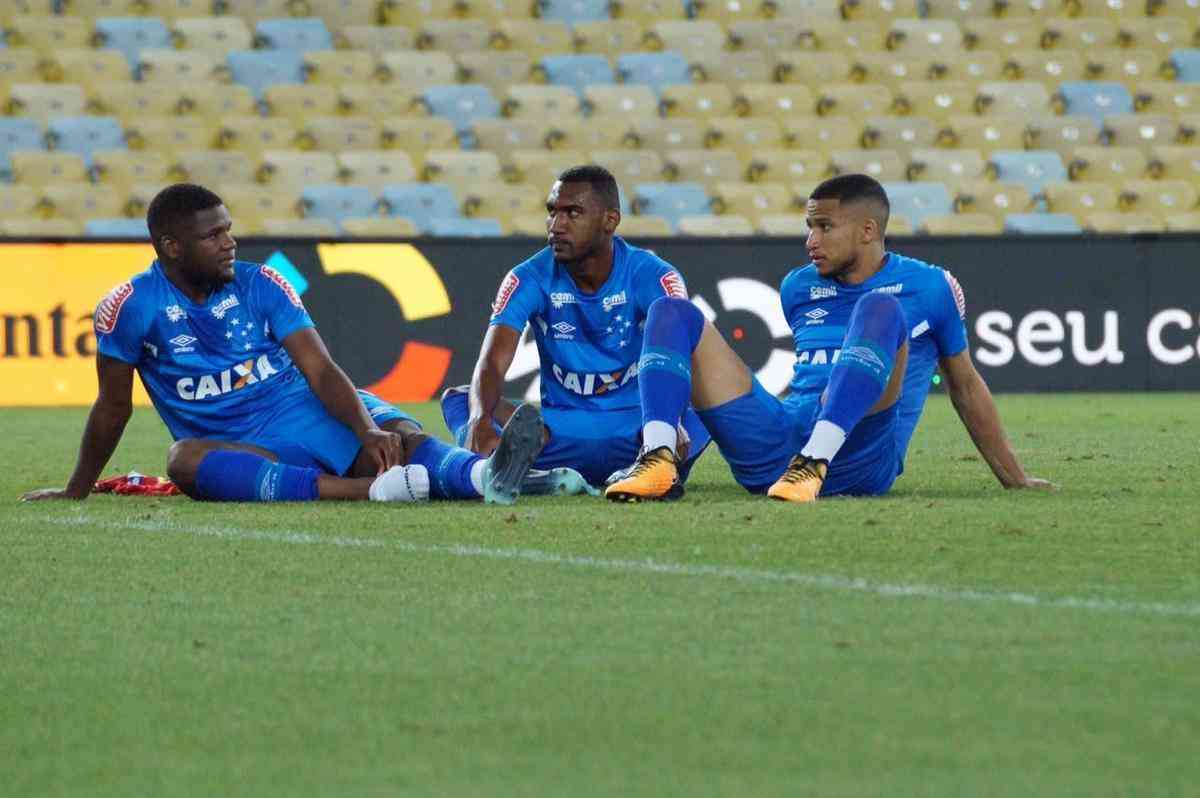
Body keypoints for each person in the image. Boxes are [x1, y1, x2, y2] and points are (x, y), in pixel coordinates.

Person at [21, 183, 548, 505]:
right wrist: (78, 487)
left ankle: (487, 474)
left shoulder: (261, 283)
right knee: (184, 462)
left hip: (304, 412)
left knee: (395, 437)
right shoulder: (129, 306)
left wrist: (365, 428)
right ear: (171, 247)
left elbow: (320, 371)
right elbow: (112, 407)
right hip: (246, 444)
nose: (229, 242)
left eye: (229, 230)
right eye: (213, 236)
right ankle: (378, 491)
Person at [606, 173, 1056, 503]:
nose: (810, 240)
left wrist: (1013, 477)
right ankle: (657, 458)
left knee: (879, 308)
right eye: (809, 226)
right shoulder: (798, 287)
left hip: (863, 456)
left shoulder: (931, 287)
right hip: (780, 447)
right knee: (673, 312)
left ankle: (816, 462)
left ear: (867, 231)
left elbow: (965, 384)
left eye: (824, 227)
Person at [440, 164, 712, 492]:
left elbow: (687, 356)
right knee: (462, 400)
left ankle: (649, 463)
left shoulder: (652, 275)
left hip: (641, 428)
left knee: (712, 400)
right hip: (557, 435)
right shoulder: (528, 277)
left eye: (573, 213)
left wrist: (673, 420)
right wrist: (480, 421)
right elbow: (493, 362)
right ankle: (514, 472)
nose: (556, 225)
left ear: (610, 220)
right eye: (552, 212)